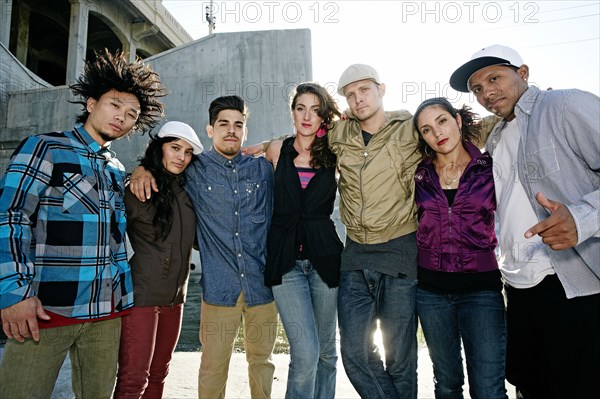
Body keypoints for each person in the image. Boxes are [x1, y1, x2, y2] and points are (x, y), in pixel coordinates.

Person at [0, 50, 166, 399]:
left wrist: (144, 168)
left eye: (132, 114)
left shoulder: (117, 169)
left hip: (106, 315)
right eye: (115, 105)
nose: (122, 117)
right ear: (91, 104)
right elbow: (10, 216)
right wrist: (13, 294)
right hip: (45, 312)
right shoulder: (46, 147)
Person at [450, 44, 600, 399]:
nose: (486, 92)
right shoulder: (497, 137)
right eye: (477, 88)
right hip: (518, 288)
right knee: (530, 385)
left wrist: (582, 218)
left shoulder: (564, 105)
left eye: (494, 78)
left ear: (523, 73)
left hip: (571, 283)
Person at [129, 95, 277, 399]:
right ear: (210, 130)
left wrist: (276, 142)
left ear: (246, 131)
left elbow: (308, 146)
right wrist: (141, 168)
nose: (231, 130)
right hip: (219, 289)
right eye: (223, 124)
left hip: (263, 286)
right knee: (212, 368)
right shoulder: (194, 169)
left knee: (262, 364)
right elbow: (162, 165)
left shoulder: (263, 171)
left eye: (239, 125)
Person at [413, 97, 507, 399]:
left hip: (482, 290)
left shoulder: (489, 167)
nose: (437, 133)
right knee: (448, 384)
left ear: (457, 120)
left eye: (441, 121)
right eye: (426, 129)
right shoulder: (419, 174)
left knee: (489, 390)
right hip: (431, 292)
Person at [263, 83, 343, 398]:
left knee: (326, 351)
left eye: (315, 109)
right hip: (285, 263)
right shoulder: (275, 149)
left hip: (326, 259)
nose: (307, 116)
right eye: (300, 108)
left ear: (323, 115)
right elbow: (238, 158)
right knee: (306, 350)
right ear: (293, 112)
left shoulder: (336, 152)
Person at [114, 121, 202, 398]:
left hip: (175, 299)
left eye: (188, 152)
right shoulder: (139, 188)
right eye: (175, 148)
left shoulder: (190, 191)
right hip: (141, 298)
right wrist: (135, 174)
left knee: (159, 374)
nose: (181, 157)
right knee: (132, 380)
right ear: (159, 149)